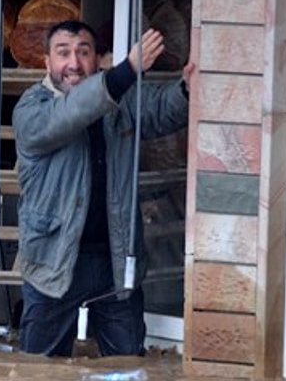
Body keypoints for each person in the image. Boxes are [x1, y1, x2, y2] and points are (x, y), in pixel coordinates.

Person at [12, 20, 194, 357]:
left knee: (127, 374)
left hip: (115, 260)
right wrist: (127, 70)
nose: (74, 63)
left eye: (83, 52)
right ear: (46, 62)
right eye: (63, 53)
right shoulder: (31, 109)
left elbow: (158, 110)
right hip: (54, 261)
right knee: (38, 379)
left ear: (97, 60)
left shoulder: (119, 101)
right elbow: (69, 114)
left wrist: (186, 88)